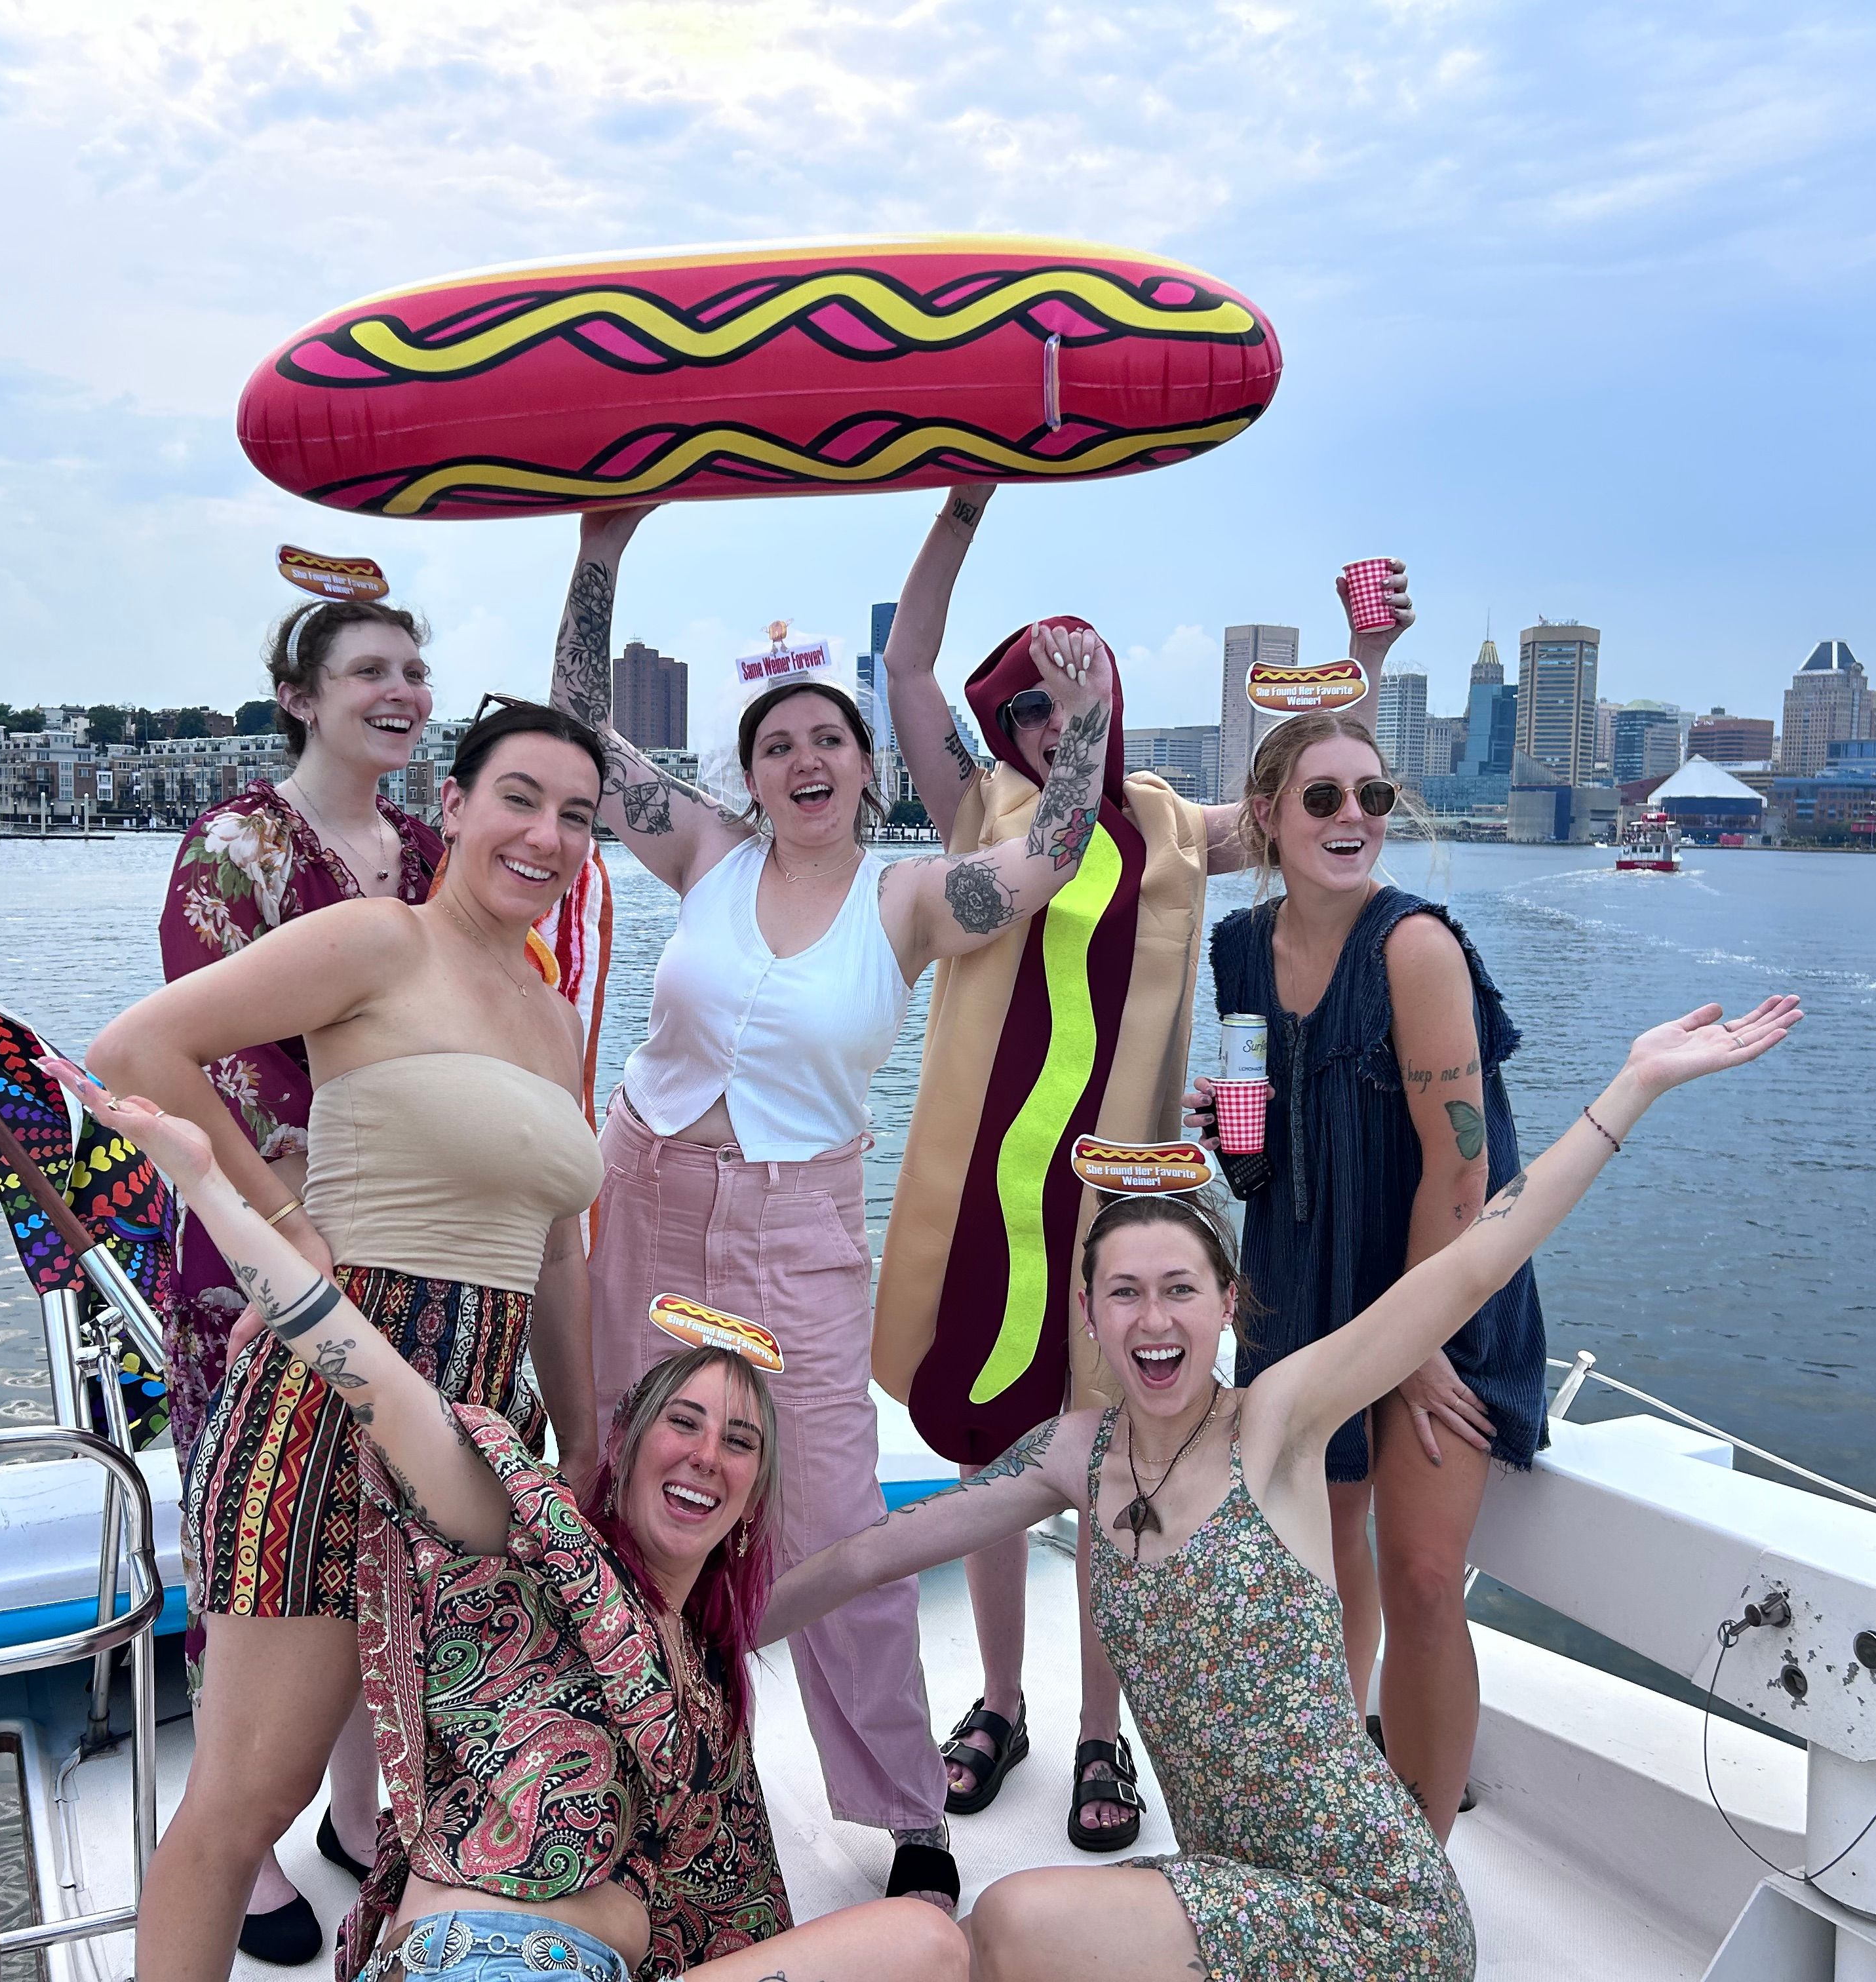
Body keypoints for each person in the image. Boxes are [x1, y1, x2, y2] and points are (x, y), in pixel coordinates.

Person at [767, 995, 1803, 1982]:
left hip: (1374, 1909)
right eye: (1123, 1293)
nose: (1152, 1319)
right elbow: (870, 1556)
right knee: (989, 1934)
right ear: (1087, 1313)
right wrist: (689, 1624)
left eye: (1180, 1289)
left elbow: (1475, 1264)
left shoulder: (1277, 1423)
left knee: (1008, 1923)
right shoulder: (1070, 1459)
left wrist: (1630, 1089)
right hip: (1234, 1893)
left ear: (1227, 1304)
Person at [41, 1062, 969, 1982]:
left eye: (738, 1442)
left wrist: (1069, 1465)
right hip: (475, 1963)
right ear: (629, 1447)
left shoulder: (705, 1656)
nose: (704, 1456)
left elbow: (878, 1554)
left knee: (933, 1943)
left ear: (752, 1497)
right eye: (681, 1424)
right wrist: (205, 1182)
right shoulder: (531, 1548)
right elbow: (374, 1375)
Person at [543, 499, 1120, 1906]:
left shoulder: (911, 897)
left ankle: (905, 1812)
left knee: (836, 1521)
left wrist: (1090, 718)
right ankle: (623, 1772)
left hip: (797, 1229)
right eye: (779, 743)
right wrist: (600, 554)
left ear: (868, 769)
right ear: (748, 772)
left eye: (830, 741)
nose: (807, 761)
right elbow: (573, 731)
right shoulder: (707, 855)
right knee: (629, 1490)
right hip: (647, 1191)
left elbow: (1054, 849)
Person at [876, 494, 1414, 1846]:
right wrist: (962, 504)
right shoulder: (982, 810)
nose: (1066, 727)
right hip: (993, 1203)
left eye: (1084, 693)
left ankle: (1103, 1739)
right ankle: (997, 1702)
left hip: (1127, 1202)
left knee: (1118, 1456)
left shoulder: (1176, 824)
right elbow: (906, 668)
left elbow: (1305, 796)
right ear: (1016, 733)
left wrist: (1371, 655)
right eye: (1042, 708)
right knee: (989, 1451)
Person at [88, 701, 616, 1982]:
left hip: (490, 1438)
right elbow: (136, 1050)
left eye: (579, 817)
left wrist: (589, 1456)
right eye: (521, 798)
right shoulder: (381, 940)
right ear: (455, 805)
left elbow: (556, 1256)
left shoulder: (554, 1019)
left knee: (457, 1809)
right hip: (331, 1408)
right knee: (241, 1804)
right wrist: (290, 1231)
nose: (547, 835)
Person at [154, 591, 445, 1954]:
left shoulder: (439, 851)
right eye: (370, 672)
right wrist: (299, 1218)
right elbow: (205, 1065)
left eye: (415, 671)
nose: (401, 690)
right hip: (265, 1251)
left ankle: (356, 1800)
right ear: (304, 697)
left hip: (412, 1245)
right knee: (257, 1541)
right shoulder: (238, 850)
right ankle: (244, 1834)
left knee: (379, 1524)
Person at [1191, 710, 1540, 1835]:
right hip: (1307, 1281)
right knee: (1321, 1569)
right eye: (1325, 798)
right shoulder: (1241, 950)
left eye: (1374, 798)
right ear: (1267, 817)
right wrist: (1239, 1133)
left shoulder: (1416, 948)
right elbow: (1262, 1157)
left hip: (1439, 1287)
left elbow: (1462, 1162)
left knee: (1426, 1582)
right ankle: (1337, 1825)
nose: (1354, 820)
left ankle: (1421, 1866)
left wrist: (1419, 1338)